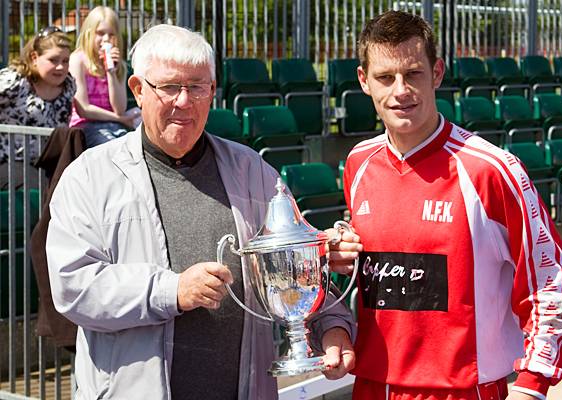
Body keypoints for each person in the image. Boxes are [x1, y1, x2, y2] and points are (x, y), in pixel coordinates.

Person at [46, 24, 355, 400]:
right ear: (138, 90)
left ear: (212, 91)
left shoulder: (253, 172)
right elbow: (73, 286)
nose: (184, 102)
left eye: (197, 87)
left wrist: (334, 328)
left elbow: (295, 271)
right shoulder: (89, 176)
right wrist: (172, 291)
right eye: (170, 87)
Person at [328, 10, 562, 400]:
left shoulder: (491, 170)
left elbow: (551, 280)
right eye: (385, 77)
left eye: (413, 74)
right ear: (363, 81)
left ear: (438, 73)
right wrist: (339, 255)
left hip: (462, 390)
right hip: (374, 387)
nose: (401, 90)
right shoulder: (359, 164)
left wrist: (533, 385)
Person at [0, 26, 75, 160]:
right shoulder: (14, 81)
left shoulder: (69, 85)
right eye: (53, 60)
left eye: (65, 61)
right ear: (34, 57)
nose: (61, 67)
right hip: (11, 161)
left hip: (50, 161)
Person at [68, 6, 136, 147]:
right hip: (84, 127)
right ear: (89, 33)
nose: (106, 39)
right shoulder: (78, 60)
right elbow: (84, 109)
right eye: (100, 33)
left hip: (113, 124)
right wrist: (120, 119)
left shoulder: (119, 66)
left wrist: (111, 71)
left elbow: (119, 108)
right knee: (111, 147)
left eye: (111, 35)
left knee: (132, 146)